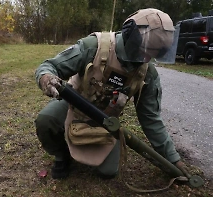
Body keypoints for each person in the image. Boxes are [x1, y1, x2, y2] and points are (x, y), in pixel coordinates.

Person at [35, 8, 188, 179]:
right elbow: (49, 66)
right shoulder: (94, 46)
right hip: (73, 105)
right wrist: (46, 78)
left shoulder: (147, 74)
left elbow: (151, 118)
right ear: (130, 36)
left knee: (108, 172)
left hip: (105, 120)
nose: (145, 59)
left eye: (152, 54)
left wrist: (173, 159)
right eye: (143, 50)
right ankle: (61, 155)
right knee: (46, 120)